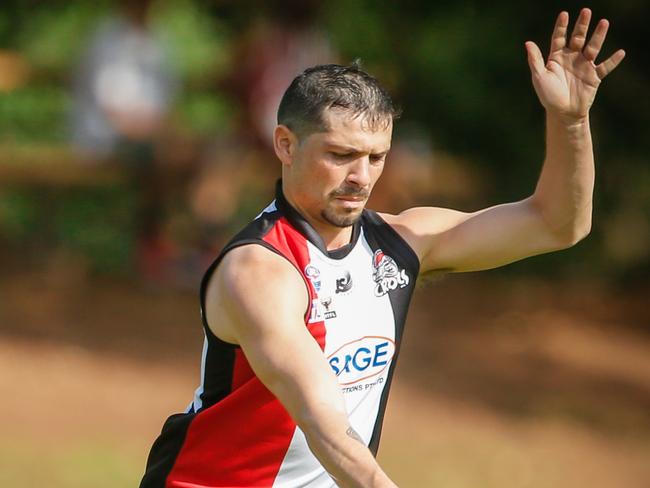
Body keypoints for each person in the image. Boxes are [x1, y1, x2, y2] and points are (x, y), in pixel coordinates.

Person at [140, 9, 624, 487]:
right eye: (341, 155)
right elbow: (326, 429)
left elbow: (558, 225)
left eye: (376, 157)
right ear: (286, 145)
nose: (362, 177)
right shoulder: (260, 271)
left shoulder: (400, 242)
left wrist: (570, 122)